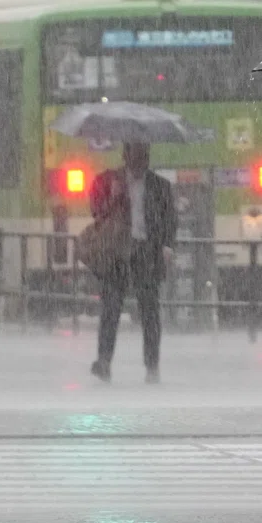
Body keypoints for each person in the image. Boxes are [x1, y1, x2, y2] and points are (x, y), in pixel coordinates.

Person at [90, 142, 177, 384]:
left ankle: (152, 365)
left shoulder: (161, 186)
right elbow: (96, 212)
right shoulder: (107, 181)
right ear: (125, 156)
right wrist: (114, 197)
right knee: (111, 308)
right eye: (136, 156)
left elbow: (170, 219)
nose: (141, 162)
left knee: (149, 311)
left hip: (147, 251)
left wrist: (167, 246)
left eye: (145, 157)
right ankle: (104, 361)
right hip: (117, 251)